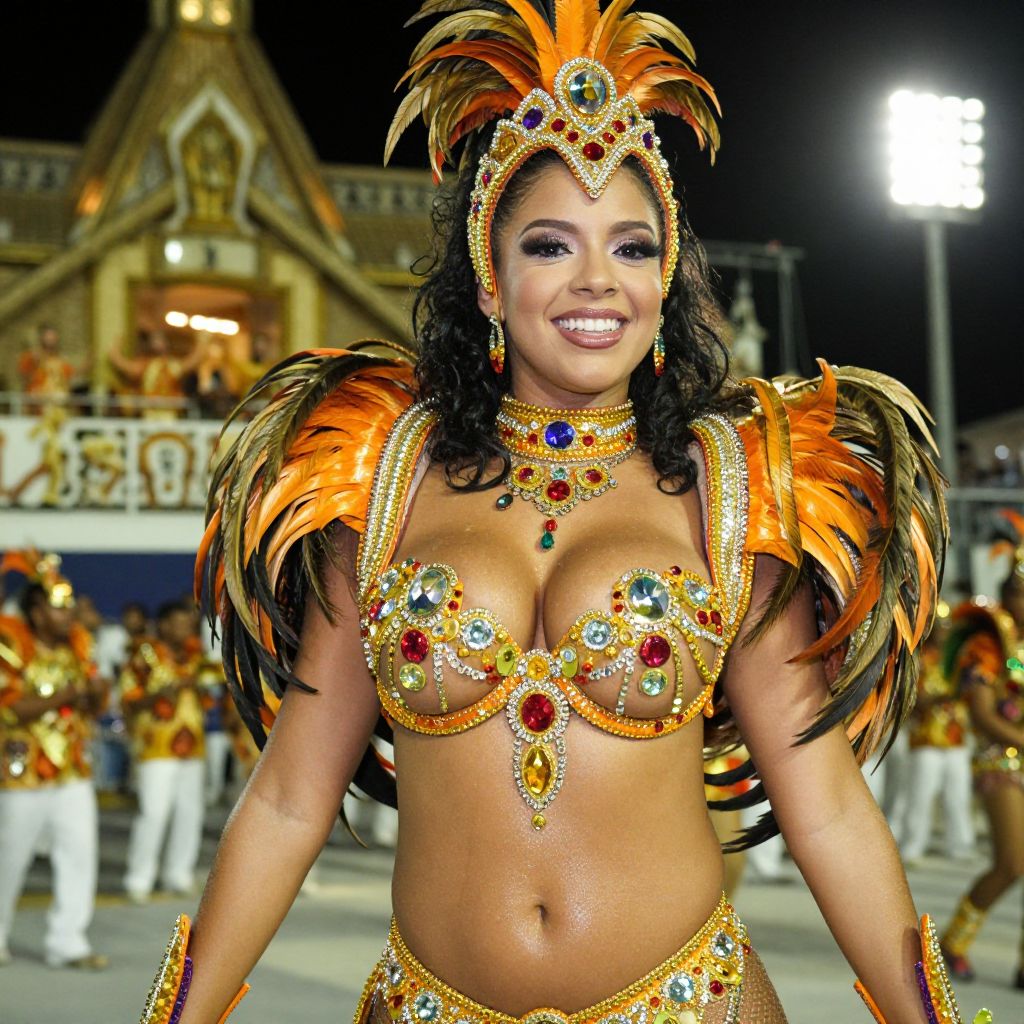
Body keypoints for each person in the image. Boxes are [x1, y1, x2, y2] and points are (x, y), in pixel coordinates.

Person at [137, 4, 979, 1022]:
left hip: (688, 1004)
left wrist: (926, 1015)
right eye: (551, 244)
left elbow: (830, 810)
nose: (596, 283)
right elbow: (286, 798)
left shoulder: (734, 492)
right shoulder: (383, 477)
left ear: (664, 281)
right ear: (491, 277)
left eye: (630, 248)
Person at [0, 551, 108, 969]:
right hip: (21, 771)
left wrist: (98, 688)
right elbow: (9, 709)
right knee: (9, 857)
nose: (69, 613)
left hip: (72, 771)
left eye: (69, 605)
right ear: (35, 610)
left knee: (80, 853)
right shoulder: (9, 644)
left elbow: (94, 707)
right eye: (59, 606)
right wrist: (62, 698)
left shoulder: (79, 646)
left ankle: (68, 941)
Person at [940, 511, 1024, 988]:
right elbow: (983, 715)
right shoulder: (987, 641)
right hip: (1000, 761)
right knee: (1013, 863)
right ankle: (952, 944)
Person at [121, 600, 208, 903]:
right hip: (156, 747)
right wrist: (162, 692)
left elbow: (207, 695)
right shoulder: (143, 655)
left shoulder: (195, 656)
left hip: (191, 746)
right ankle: (139, 878)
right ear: (165, 625)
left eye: (190, 623)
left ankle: (178, 873)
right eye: (181, 623)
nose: (188, 628)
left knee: (190, 813)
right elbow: (129, 700)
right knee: (154, 813)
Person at [898, 622, 975, 865]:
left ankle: (960, 846)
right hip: (926, 740)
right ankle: (912, 846)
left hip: (956, 739)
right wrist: (942, 697)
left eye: (946, 627)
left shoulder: (959, 660)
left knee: (958, 796)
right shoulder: (918, 659)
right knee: (920, 796)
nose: (943, 632)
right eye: (939, 627)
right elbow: (912, 699)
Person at [108, 328, 206, 420]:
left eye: (160, 340)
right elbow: (123, 364)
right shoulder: (145, 365)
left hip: (169, 413)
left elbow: (192, 361)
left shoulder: (171, 365)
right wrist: (116, 344)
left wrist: (201, 343)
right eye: (155, 340)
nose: (157, 343)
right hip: (149, 412)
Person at [16, 323, 85, 413]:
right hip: (36, 405)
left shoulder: (60, 361)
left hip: (55, 406)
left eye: (53, 336)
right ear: (42, 338)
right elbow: (23, 375)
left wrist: (84, 367)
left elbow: (70, 375)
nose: (51, 339)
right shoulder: (32, 357)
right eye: (48, 336)